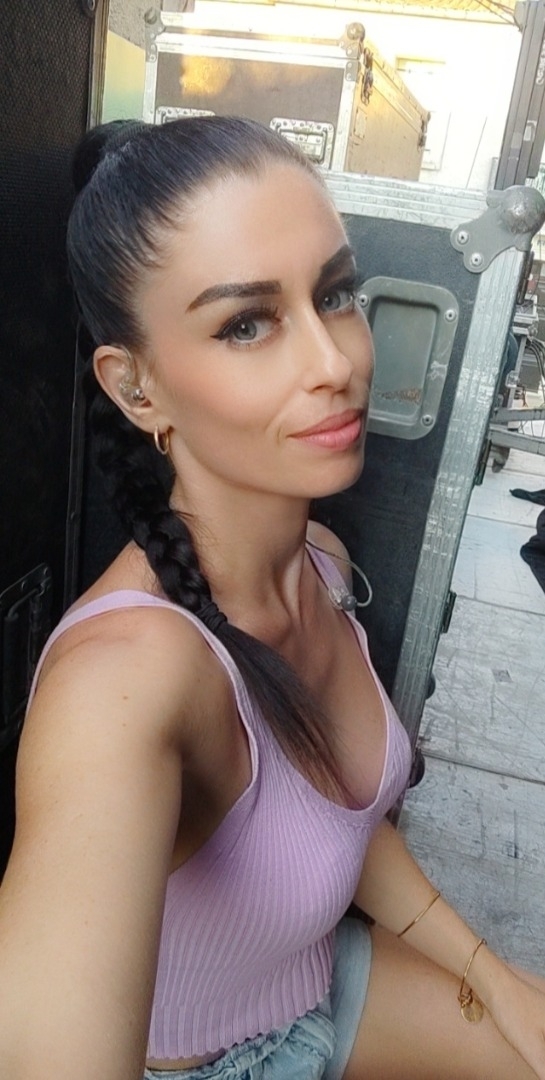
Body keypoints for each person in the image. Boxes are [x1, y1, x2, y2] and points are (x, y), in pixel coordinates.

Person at [1, 115, 544, 1080]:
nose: (334, 363)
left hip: (313, 983)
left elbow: (330, 819)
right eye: (245, 324)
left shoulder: (322, 564)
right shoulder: (119, 690)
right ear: (137, 390)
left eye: (333, 295)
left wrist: (492, 978)